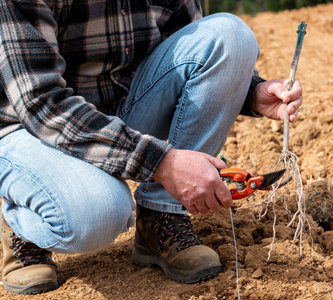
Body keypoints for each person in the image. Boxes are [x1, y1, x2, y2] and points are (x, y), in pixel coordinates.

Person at [0, 0, 302, 295]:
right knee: (100, 214)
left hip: (120, 110)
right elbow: (42, 104)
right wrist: (163, 163)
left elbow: (193, 47)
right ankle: (28, 221)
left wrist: (252, 92)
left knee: (231, 36)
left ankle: (162, 215)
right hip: (32, 128)